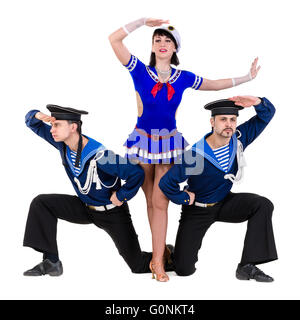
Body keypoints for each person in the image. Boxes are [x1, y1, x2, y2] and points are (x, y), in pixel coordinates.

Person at [109, 17, 261, 282]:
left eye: (168, 40)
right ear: (153, 46)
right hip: (143, 140)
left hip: (168, 142)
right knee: (148, 202)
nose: (162, 43)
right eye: (158, 40)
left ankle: (157, 259)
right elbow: (114, 40)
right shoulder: (139, 70)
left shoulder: (183, 77)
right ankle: (159, 255)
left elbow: (214, 84)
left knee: (161, 201)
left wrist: (246, 78)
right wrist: (143, 22)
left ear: (175, 47)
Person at [23, 105, 172, 276]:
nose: (52, 130)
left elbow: (136, 173)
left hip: (112, 213)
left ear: (73, 127)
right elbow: (32, 123)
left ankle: (167, 256)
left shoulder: (101, 156)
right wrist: (38, 115)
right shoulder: (62, 144)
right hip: (85, 208)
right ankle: (51, 262)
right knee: (42, 203)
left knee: (137, 265)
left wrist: (122, 196)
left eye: (57, 125)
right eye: (52, 124)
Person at [159, 96, 277, 282]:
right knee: (183, 269)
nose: (229, 124)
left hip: (224, 202)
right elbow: (166, 183)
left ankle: (247, 266)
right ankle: (173, 252)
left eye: (232, 119)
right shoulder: (195, 156)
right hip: (198, 210)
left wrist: (257, 102)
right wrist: (183, 197)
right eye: (223, 119)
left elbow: (266, 115)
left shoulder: (238, 138)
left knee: (262, 205)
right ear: (212, 122)